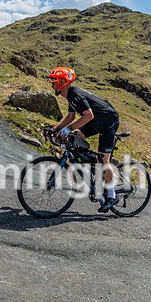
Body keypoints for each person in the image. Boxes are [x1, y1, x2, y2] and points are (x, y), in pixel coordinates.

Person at [45, 67, 121, 212]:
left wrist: (69, 129)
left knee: (104, 160)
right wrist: (55, 129)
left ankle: (111, 196)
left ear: (62, 82)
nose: (52, 85)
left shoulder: (75, 94)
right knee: (75, 137)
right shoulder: (70, 96)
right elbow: (70, 117)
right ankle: (93, 170)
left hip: (109, 121)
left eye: (53, 82)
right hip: (97, 120)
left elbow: (88, 115)